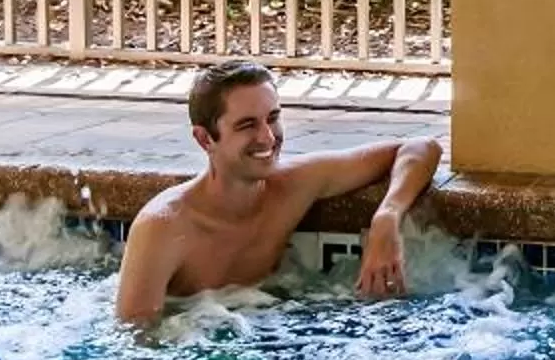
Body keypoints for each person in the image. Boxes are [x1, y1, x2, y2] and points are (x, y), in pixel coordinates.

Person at [114, 60, 443, 325]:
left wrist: (387, 217)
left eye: (273, 118)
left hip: (266, 324)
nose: (269, 137)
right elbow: (138, 340)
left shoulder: (292, 186)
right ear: (204, 139)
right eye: (247, 125)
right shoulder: (163, 227)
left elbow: (420, 148)